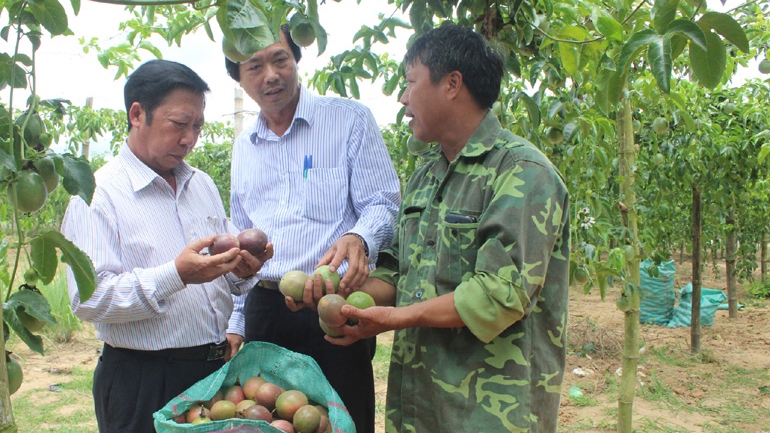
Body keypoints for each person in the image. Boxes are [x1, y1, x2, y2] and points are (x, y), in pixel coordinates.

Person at [324, 23, 571, 432]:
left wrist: (395, 318)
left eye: (410, 83)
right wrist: (340, 294)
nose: (403, 99)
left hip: (490, 410)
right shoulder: (425, 177)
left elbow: (498, 295)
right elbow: (398, 272)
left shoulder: (521, 173)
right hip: (421, 402)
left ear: (452, 84)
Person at [61, 59, 273, 433]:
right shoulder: (97, 194)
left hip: (211, 373)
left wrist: (242, 271)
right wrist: (176, 275)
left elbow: (220, 276)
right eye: (179, 124)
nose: (190, 138)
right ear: (138, 114)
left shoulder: (202, 184)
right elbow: (88, 298)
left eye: (197, 127)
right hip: (143, 379)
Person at [224, 24, 401, 433]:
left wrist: (359, 237)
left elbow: (383, 203)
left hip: (332, 307)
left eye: (280, 59)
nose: (270, 75)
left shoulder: (348, 120)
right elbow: (242, 242)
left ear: (296, 61)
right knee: (271, 420)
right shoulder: (244, 146)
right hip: (266, 309)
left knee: (342, 418)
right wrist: (236, 321)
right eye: (254, 66)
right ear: (239, 77)